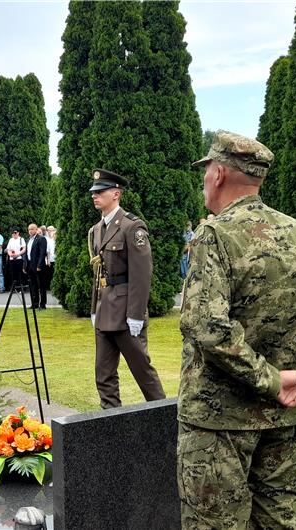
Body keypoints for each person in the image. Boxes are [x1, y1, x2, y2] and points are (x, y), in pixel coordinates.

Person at [178, 131, 296, 529]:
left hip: (220, 422)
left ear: (218, 173)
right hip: (281, 419)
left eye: (206, 172)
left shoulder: (214, 235)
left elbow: (207, 327)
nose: (204, 181)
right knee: (278, 524)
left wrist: (270, 380)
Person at [88, 168, 166, 408]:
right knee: (104, 376)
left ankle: (164, 418)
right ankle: (110, 426)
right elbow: (98, 272)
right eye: (94, 192)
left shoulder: (132, 227)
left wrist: (135, 315)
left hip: (124, 312)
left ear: (116, 194)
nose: (95, 195)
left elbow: (141, 275)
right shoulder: (96, 230)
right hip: (104, 311)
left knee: (142, 372)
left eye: (101, 191)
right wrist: (94, 308)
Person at [24, 223, 48, 309]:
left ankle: (42, 304)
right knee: (33, 285)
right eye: (29, 229)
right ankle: (34, 303)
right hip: (30, 265)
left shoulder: (41, 239)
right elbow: (26, 254)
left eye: (32, 229)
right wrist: (25, 266)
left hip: (38, 265)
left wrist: (39, 265)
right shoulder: (28, 240)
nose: (30, 231)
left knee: (41, 285)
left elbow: (42, 253)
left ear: (36, 229)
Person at [44, 226, 57, 293]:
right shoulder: (48, 240)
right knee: (49, 273)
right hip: (50, 259)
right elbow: (47, 251)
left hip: (56, 259)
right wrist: (48, 260)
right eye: (49, 230)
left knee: (55, 273)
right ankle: (49, 287)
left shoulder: (56, 241)